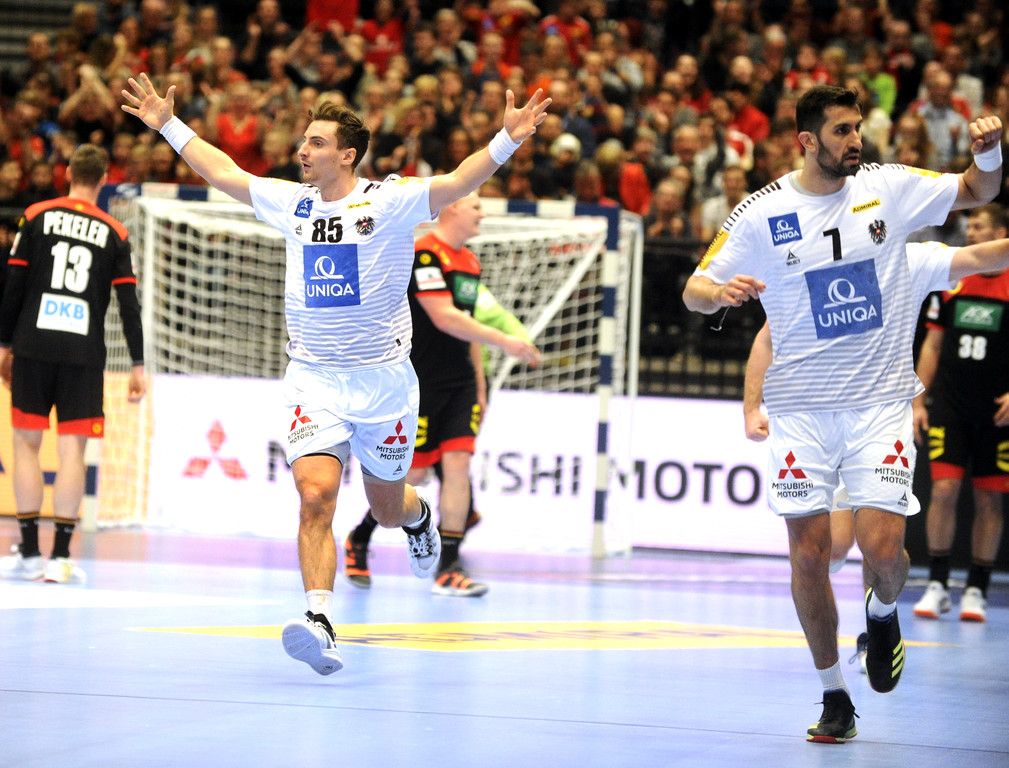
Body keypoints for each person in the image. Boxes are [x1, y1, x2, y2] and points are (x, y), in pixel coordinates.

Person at [120, 72, 549, 675]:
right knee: (315, 495)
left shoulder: (390, 201)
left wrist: (506, 140)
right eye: (304, 140)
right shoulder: (292, 203)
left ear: (347, 155)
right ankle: (319, 619)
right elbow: (225, 173)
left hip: (384, 382)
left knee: (388, 507)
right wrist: (168, 124)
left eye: (316, 143)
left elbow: (458, 181)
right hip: (314, 379)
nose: (303, 150)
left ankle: (419, 517)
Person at [683, 84, 1003, 743]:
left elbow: (976, 192)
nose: (855, 140)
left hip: (878, 405)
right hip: (800, 412)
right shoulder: (761, 212)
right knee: (809, 556)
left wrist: (990, 153)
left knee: (882, 550)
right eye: (840, 131)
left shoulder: (886, 187)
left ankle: (881, 614)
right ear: (806, 140)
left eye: (857, 127)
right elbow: (693, 288)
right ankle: (833, 694)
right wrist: (719, 293)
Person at [343, 193, 540, 597]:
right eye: (475, 206)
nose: (482, 213)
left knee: (458, 464)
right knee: (410, 477)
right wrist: (507, 341)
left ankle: (448, 566)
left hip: (460, 383)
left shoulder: (470, 262)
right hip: (419, 383)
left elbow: (466, 325)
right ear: (452, 208)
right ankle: (359, 538)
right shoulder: (425, 254)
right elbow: (444, 316)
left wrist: (479, 384)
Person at [0, 144, 145, 584]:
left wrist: (3, 345)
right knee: (72, 451)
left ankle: (29, 552)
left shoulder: (36, 215)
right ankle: (60, 557)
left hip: (34, 344)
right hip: (83, 353)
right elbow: (128, 304)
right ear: (103, 180)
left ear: (67, 173)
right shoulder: (114, 231)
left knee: (26, 444)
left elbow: (14, 284)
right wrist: (138, 363)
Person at [912, 204, 1009, 624]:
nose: (970, 233)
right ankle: (937, 584)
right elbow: (932, 345)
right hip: (950, 406)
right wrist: (917, 401)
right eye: (969, 227)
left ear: (1001, 234)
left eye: (980, 227)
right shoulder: (951, 280)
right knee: (945, 491)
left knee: (989, 498)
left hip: (997, 413)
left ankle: (977, 589)